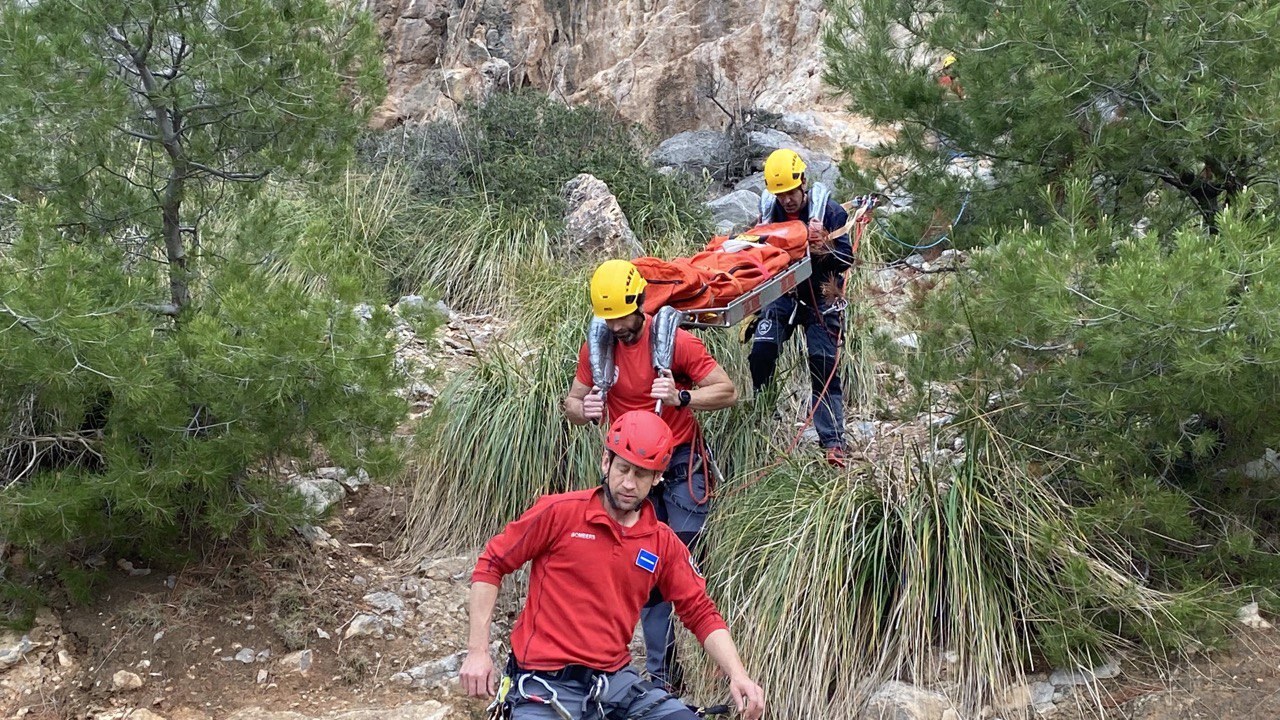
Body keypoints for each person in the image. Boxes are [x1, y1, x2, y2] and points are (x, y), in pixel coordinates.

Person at [460, 411, 766, 720]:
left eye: (642, 474)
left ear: (657, 478)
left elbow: (700, 612)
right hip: (542, 683)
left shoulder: (661, 542)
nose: (629, 483)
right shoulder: (559, 513)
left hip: (613, 686)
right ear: (606, 462)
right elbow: (491, 565)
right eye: (623, 468)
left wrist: (737, 674)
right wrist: (477, 652)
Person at [563, 259, 737, 690]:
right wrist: (581, 410)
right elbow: (572, 400)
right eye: (610, 319)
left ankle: (708, 651)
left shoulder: (673, 342)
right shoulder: (598, 348)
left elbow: (727, 390)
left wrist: (682, 396)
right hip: (631, 469)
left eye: (624, 316)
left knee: (684, 552)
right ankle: (663, 675)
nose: (619, 327)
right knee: (649, 566)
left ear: (640, 303)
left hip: (678, 459)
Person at [748, 148, 853, 468]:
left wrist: (826, 247)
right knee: (761, 352)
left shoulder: (831, 213)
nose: (787, 201)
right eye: (780, 195)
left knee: (823, 362)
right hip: (784, 294)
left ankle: (833, 440)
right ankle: (760, 416)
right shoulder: (770, 214)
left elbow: (847, 260)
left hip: (823, 295)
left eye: (791, 193)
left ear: (803, 183)